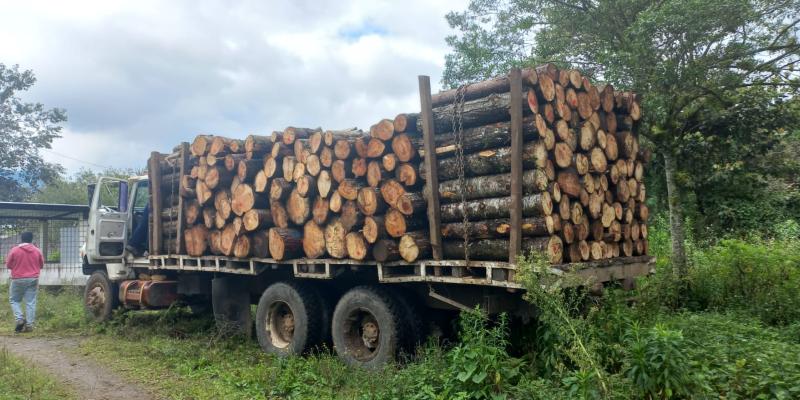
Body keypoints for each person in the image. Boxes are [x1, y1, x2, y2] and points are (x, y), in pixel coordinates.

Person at [6, 232, 44, 333]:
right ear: (31, 239)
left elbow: (8, 265)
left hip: (17, 279)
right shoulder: (37, 250)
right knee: (30, 302)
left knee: (14, 300)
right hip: (33, 279)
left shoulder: (14, 250)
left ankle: (19, 319)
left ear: (21, 239)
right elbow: (41, 265)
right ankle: (29, 325)